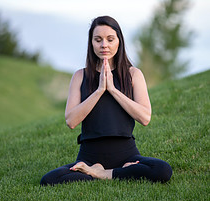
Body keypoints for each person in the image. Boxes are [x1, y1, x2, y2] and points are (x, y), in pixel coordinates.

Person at [40, 16, 172, 186]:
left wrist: (113, 89)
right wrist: (100, 89)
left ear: (119, 41)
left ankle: (102, 174)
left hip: (127, 155)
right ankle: (111, 172)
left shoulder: (133, 74)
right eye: (98, 40)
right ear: (91, 43)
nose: (104, 45)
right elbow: (71, 121)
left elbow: (145, 118)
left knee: (162, 170)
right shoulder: (80, 76)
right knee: (49, 180)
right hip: (89, 157)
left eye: (110, 39)